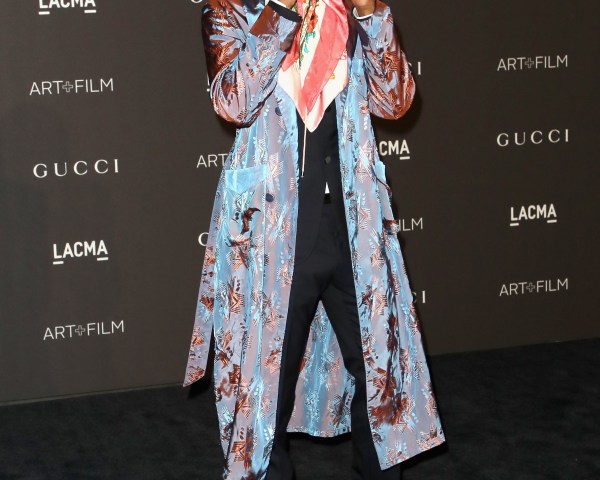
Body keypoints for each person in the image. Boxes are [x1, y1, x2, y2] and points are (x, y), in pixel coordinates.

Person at [183, 1, 445, 479]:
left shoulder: (348, 11)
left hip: (354, 223)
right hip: (271, 231)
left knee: (380, 373)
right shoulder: (232, 9)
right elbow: (233, 101)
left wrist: (371, 14)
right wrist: (283, 12)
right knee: (265, 390)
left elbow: (396, 100)